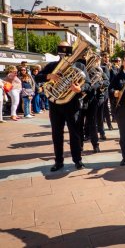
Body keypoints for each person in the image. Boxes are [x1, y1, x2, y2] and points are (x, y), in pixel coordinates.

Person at [35, 41, 91, 171]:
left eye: (67, 49)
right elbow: (37, 78)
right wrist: (50, 76)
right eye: (62, 49)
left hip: (72, 105)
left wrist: (79, 88)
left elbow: (88, 84)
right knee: (57, 134)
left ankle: (77, 160)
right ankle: (58, 161)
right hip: (56, 105)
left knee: (75, 134)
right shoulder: (52, 66)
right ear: (58, 51)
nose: (64, 52)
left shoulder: (80, 66)